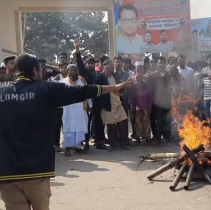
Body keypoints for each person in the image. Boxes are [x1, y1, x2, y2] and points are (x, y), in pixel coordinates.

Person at [0, 53, 130, 210]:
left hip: (7, 173)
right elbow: (82, 91)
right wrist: (114, 88)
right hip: (36, 171)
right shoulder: (46, 89)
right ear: (35, 71)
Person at [94, 60, 132, 151]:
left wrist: (122, 91)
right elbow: (97, 92)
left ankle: (123, 142)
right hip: (108, 105)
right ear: (105, 67)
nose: (113, 67)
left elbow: (116, 88)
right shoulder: (99, 77)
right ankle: (112, 143)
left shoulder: (114, 75)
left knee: (123, 122)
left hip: (118, 103)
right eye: (111, 66)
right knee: (111, 126)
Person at [59, 64, 90, 156]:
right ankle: (67, 148)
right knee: (69, 127)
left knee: (79, 127)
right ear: (68, 71)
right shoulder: (63, 82)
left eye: (74, 70)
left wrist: (90, 105)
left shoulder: (82, 81)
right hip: (68, 109)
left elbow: (88, 94)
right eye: (71, 70)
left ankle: (77, 146)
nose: (73, 72)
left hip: (80, 109)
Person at [74, 39, 100, 150]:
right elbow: (79, 63)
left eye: (92, 63)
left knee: (97, 120)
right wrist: (77, 49)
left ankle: (99, 140)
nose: (90, 64)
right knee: (86, 121)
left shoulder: (99, 75)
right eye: (88, 63)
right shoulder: (84, 73)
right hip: (86, 101)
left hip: (97, 100)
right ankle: (86, 142)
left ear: (95, 64)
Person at [148, 56, 172, 145]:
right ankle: (157, 138)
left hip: (167, 102)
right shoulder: (153, 75)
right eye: (159, 62)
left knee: (167, 120)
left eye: (162, 62)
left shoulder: (169, 74)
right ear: (157, 64)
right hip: (157, 102)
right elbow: (149, 89)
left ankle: (167, 136)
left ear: (165, 64)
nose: (161, 64)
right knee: (158, 120)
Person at [49, 62, 69, 152]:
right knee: (57, 126)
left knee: (67, 126)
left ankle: (68, 144)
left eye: (66, 67)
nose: (64, 69)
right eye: (62, 67)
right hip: (58, 107)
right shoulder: (55, 79)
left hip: (69, 107)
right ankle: (56, 144)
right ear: (59, 69)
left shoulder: (72, 78)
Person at [131, 62, 152, 145]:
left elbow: (150, 93)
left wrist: (150, 106)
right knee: (138, 122)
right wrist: (133, 105)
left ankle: (148, 137)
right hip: (137, 105)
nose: (139, 70)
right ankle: (138, 138)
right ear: (135, 70)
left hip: (146, 104)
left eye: (140, 69)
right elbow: (132, 94)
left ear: (143, 70)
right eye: (137, 69)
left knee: (146, 121)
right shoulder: (133, 80)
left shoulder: (147, 79)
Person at [169, 65, 189, 140]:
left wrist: (179, 101)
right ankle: (176, 135)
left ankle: (182, 136)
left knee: (181, 119)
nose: (171, 74)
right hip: (174, 99)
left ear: (176, 71)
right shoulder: (172, 78)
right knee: (174, 118)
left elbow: (182, 90)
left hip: (181, 101)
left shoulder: (181, 79)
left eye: (172, 73)